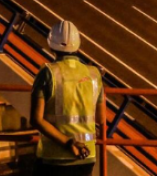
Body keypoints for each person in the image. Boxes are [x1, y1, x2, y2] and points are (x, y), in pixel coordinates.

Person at [31, 20, 104, 176]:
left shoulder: (47, 73)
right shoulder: (94, 75)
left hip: (53, 156)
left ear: (51, 45)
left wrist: (69, 142)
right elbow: (101, 118)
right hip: (86, 155)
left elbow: (36, 120)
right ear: (77, 45)